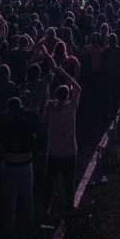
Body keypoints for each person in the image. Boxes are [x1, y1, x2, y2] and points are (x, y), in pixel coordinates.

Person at [0, 95, 39, 234]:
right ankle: (30, 227)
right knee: (28, 198)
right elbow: (38, 129)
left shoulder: (3, 121)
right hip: (26, 162)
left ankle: (9, 230)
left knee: (10, 199)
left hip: (9, 163)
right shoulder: (29, 118)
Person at [42, 63, 81, 219]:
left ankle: (46, 207)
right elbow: (77, 88)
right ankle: (69, 207)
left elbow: (44, 125)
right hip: (69, 150)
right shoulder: (71, 108)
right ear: (67, 96)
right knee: (69, 182)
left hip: (53, 150)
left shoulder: (50, 108)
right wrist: (63, 72)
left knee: (49, 180)